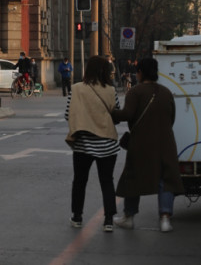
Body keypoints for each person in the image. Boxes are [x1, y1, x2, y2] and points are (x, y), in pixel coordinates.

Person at [112, 55, 184, 233]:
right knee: (164, 179)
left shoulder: (135, 92)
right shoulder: (166, 92)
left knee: (133, 177)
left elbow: (127, 114)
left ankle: (129, 217)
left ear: (141, 72)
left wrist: (111, 111)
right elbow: (171, 117)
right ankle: (165, 219)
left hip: (141, 143)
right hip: (166, 142)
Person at [65, 54, 119, 232]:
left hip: (83, 144)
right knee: (107, 181)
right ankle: (109, 220)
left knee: (80, 181)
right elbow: (116, 115)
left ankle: (77, 216)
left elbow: (68, 114)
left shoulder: (77, 89)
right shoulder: (111, 91)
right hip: (107, 144)